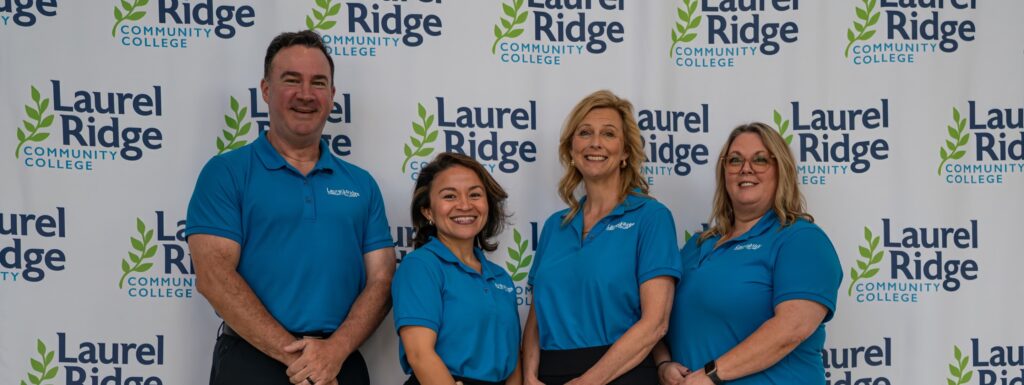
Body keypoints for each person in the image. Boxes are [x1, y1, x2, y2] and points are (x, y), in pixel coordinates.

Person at [184, 30, 396, 385]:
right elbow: (214, 276)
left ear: (331, 96)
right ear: (266, 90)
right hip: (253, 362)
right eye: (291, 80)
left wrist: (333, 352)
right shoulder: (226, 173)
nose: (305, 94)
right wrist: (303, 360)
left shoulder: (362, 185)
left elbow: (382, 279)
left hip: (340, 364)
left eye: (318, 83)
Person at [654, 122, 843, 385]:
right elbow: (655, 319)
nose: (746, 168)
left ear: (781, 171)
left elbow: (792, 328)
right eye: (734, 160)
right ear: (724, 173)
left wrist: (712, 374)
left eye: (761, 159)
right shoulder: (697, 246)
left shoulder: (801, 239)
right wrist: (663, 363)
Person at [522, 90, 682, 385]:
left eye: (608, 134)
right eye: (585, 133)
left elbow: (655, 323)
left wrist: (588, 382)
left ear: (625, 153)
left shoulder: (651, 217)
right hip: (549, 374)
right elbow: (536, 316)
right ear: (571, 150)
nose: (595, 142)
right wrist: (529, 376)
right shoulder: (554, 227)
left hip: (623, 374)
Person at [392, 152, 522, 385]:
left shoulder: (501, 277)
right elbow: (420, 355)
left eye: (474, 195)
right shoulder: (420, 267)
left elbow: (512, 361)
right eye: (450, 196)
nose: (465, 205)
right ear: (428, 211)